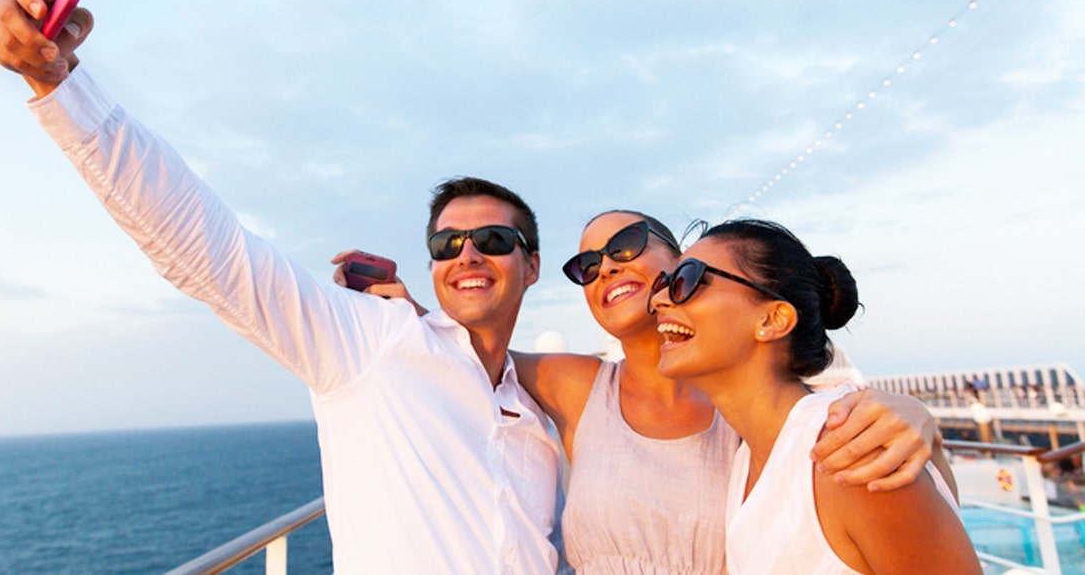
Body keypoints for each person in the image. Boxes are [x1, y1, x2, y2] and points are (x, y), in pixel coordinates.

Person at [0, 0, 562, 573]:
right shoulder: (373, 342)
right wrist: (59, 84)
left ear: (533, 266)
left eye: (493, 241)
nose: (467, 255)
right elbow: (208, 247)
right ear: (433, 265)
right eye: (447, 243)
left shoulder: (540, 412)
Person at [339, 210, 951, 574]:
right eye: (586, 265)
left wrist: (917, 416)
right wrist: (414, 312)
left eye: (626, 246)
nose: (605, 267)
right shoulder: (580, 387)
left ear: (679, 265)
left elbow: (810, 413)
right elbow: (472, 356)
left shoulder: (760, 408)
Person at [650, 219, 980, 573]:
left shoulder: (848, 453)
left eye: (687, 280)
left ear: (773, 319)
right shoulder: (751, 459)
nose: (657, 300)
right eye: (666, 283)